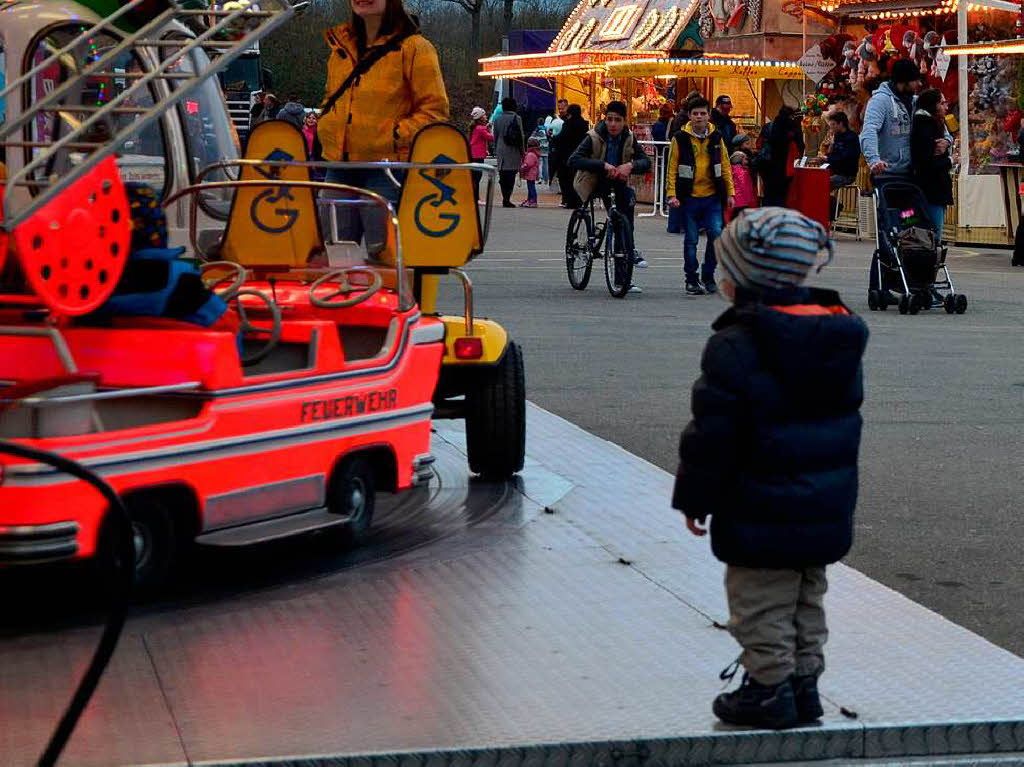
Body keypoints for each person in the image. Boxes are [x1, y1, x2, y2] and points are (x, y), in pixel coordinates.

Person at [673, 207, 869, 730]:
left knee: (759, 600)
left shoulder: (737, 345)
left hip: (758, 503)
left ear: (741, 280)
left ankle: (767, 689)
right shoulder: (838, 335)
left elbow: (712, 435)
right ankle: (804, 683)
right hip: (823, 503)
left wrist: (695, 497)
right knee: (808, 596)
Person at [316, 0, 448, 249]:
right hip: (338, 166)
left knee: (385, 256)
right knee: (336, 257)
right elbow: (331, 98)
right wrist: (328, 128)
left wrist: (393, 137)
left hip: (387, 170)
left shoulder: (416, 48)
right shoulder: (339, 50)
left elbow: (435, 111)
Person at [568, 100, 652, 292]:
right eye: (610, 119)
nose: (613, 124)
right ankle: (595, 244)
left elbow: (645, 161)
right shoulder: (593, 137)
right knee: (612, 215)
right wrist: (602, 165)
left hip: (617, 183)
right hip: (594, 182)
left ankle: (623, 276)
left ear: (625, 121)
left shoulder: (629, 137)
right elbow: (574, 160)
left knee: (624, 221)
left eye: (618, 120)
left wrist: (630, 165)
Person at [667, 96, 735, 296]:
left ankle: (708, 275)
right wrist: (672, 194)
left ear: (709, 116)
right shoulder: (679, 138)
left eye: (703, 113)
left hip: (712, 197)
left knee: (715, 234)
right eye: (695, 114)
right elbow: (671, 168)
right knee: (692, 240)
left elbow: (725, 166)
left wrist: (730, 192)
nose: (699, 117)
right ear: (689, 116)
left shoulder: (717, 137)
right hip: (689, 198)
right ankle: (691, 278)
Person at [859, 58, 921, 186]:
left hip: (913, 174)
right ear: (903, 81)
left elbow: (938, 122)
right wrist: (874, 160)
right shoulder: (880, 101)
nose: (919, 84)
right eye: (915, 80)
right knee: (894, 206)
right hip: (887, 174)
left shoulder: (916, 102)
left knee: (910, 207)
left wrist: (946, 140)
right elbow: (869, 130)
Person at [910, 88, 953, 238]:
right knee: (933, 235)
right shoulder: (927, 126)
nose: (946, 107)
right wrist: (950, 160)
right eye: (942, 103)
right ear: (932, 106)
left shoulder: (920, 122)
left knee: (909, 230)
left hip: (913, 191)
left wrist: (948, 141)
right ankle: (930, 260)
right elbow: (927, 162)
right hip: (931, 191)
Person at [757, 105, 804, 207]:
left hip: (766, 166)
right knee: (781, 197)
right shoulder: (792, 127)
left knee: (768, 195)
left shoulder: (768, 126)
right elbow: (801, 147)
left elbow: (759, 144)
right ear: (792, 116)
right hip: (784, 168)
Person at [553, 104, 589, 208]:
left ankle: (569, 200)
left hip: (567, 156)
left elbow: (561, 138)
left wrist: (553, 138)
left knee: (566, 179)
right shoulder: (584, 124)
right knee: (578, 179)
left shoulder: (568, 124)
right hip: (580, 155)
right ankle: (579, 200)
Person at [493, 97, 525, 208]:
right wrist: (522, 151)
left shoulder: (497, 119)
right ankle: (507, 198)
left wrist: (495, 148)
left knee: (503, 174)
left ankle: (504, 197)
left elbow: (495, 135)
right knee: (511, 174)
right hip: (513, 149)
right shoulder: (517, 118)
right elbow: (520, 136)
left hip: (501, 148)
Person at [823, 111, 860, 189]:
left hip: (846, 175)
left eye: (833, 124)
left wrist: (828, 159)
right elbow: (830, 154)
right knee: (815, 178)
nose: (831, 127)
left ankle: (831, 201)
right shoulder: (836, 135)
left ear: (841, 124)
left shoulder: (852, 137)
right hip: (834, 171)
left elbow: (846, 157)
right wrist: (831, 144)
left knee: (823, 183)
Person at [468, 106, 494, 204]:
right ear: (480, 118)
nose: (486, 117)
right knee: (477, 178)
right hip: (477, 155)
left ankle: (474, 197)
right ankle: (476, 198)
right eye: (484, 115)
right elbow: (491, 137)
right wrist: (490, 130)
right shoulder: (480, 128)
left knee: (475, 177)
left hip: (473, 154)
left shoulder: (475, 127)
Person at [729, 151, 756, 216]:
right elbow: (743, 184)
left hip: (738, 199)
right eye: (745, 159)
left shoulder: (732, 169)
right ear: (739, 159)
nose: (747, 161)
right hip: (741, 199)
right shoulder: (741, 171)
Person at [520, 136, 541, 208]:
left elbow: (528, 164)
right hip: (533, 173)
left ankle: (533, 200)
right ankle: (530, 199)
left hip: (530, 174)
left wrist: (522, 167)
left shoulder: (530, 155)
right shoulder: (535, 154)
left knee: (531, 188)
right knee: (531, 187)